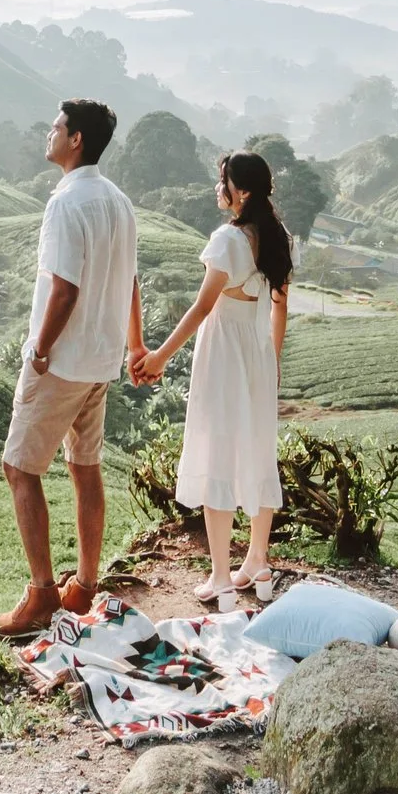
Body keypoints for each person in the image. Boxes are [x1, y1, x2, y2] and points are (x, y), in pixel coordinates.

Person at [0, 99, 143, 637]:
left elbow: (65, 286)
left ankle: (41, 597)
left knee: (19, 467)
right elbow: (130, 281)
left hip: (61, 360)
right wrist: (133, 346)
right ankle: (84, 586)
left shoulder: (65, 204)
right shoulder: (120, 202)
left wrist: (39, 348)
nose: (48, 134)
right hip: (100, 360)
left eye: (54, 127)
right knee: (84, 466)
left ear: (76, 139)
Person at [135, 149, 291, 604]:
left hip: (224, 351)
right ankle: (257, 561)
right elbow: (280, 305)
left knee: (218, 452)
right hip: (258, 352)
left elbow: (203, 307)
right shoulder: (279, 236)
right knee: (260, 452)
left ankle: (221, 576)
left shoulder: (228, 240)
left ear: (239, 191)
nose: (217, 188)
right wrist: (273, 360)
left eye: (222, 180)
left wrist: (161, 354)